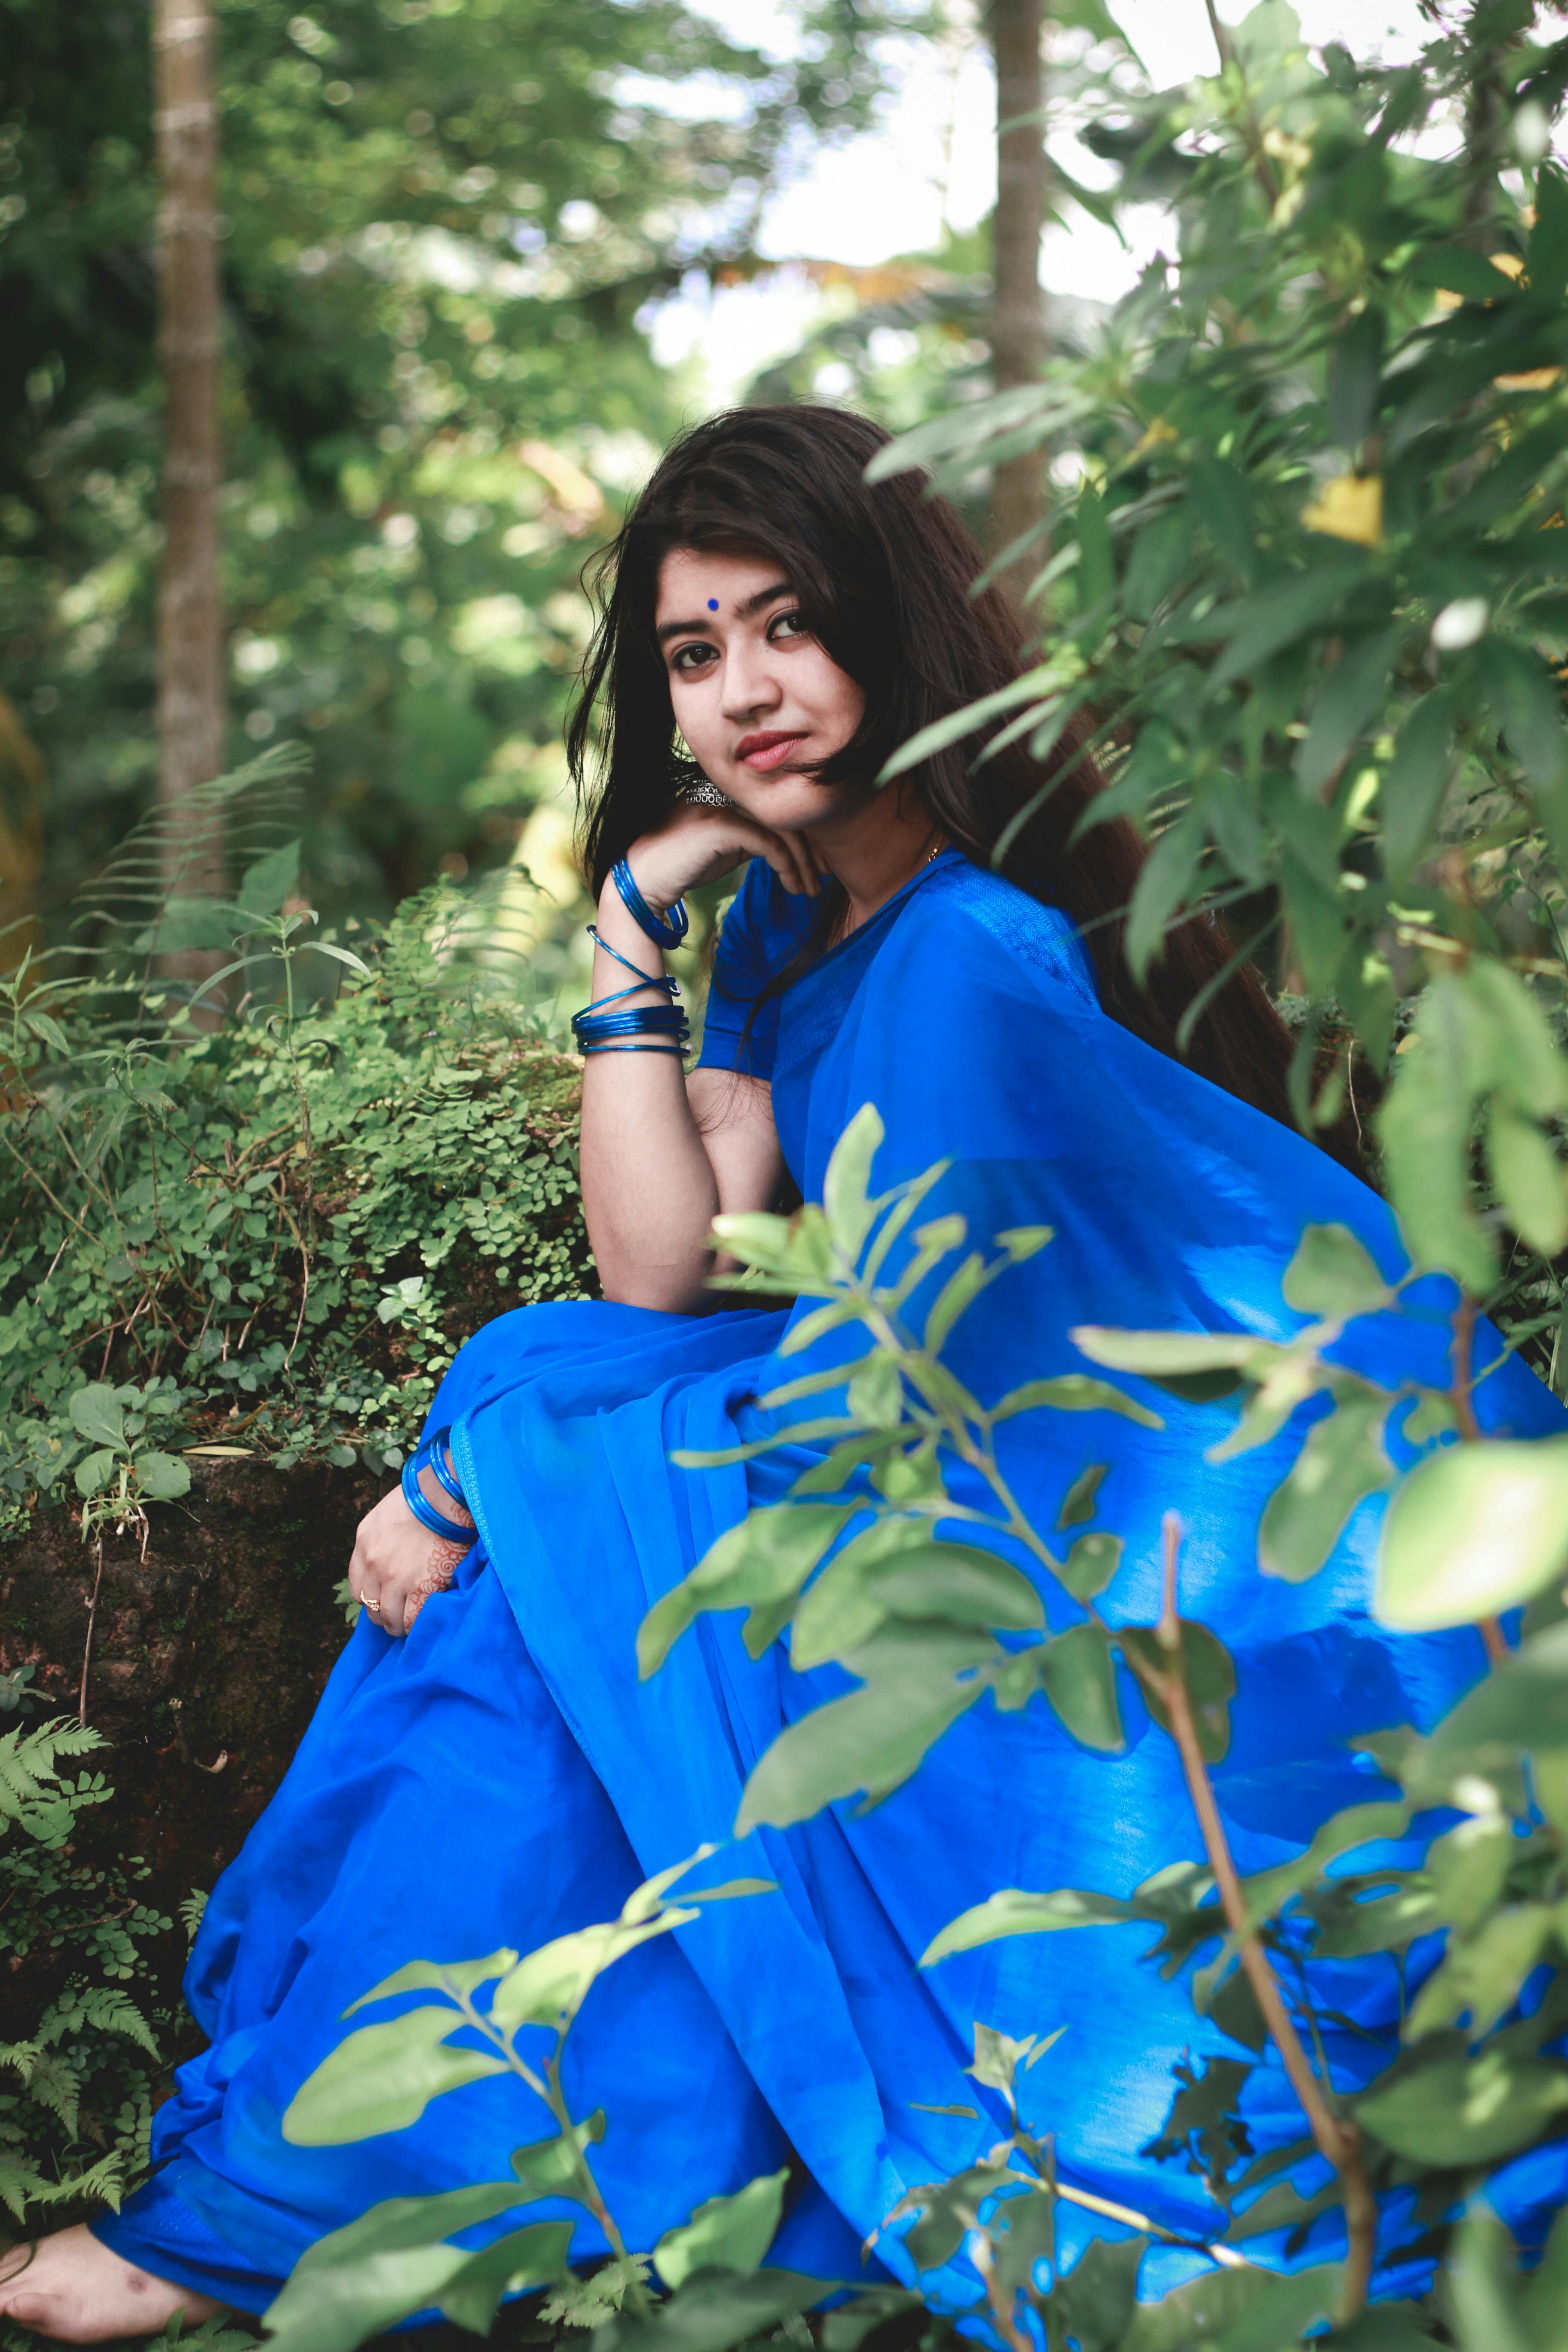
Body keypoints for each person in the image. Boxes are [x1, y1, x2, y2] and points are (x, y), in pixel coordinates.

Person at [2, 406, 1559, 2341]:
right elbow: (667, 1267)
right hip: (963, 1446)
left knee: (555, 1586)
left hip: (1129, 1508)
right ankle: (294, 2202)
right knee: (552, 1569)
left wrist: (487, 1436)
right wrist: (630, 941)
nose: (745, 692)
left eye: (788, 627)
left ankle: (262, 2222)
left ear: (891, 630)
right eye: (691, 651)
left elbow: (949, 1381)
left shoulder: (967, 959)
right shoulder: (809, 925)